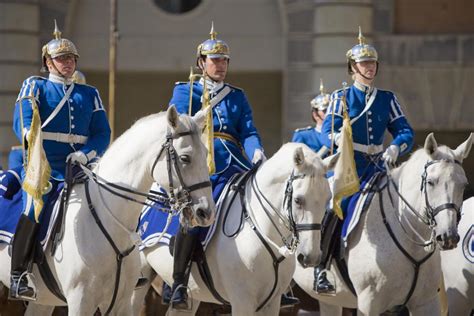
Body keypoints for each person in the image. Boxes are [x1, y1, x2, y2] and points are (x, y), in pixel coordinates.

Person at [164, 23, 269, 309]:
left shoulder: (237, 96)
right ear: (202, 63)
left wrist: (256, 151)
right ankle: (179, 282)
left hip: (235, 163)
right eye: (214, 61)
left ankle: (274, 280)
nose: (220, 66)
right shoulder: (185, 91)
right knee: (195, 216)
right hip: (201, 167)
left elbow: (247, 130)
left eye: (224, 61)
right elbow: (178, 128)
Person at [10, 21, 111, 300]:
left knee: (113, 202)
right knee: (34, 208)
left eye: (71, 58)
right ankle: (19, 274)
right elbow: (24, 123)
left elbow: (103, 132)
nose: (67, 63)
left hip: (81, 164)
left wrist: (86, 154)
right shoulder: (35, 85)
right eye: (61, 58)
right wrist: (35, 149)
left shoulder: (89, 93)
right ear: (48, 62)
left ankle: (126, 263)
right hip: (44, 167)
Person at [314, 28, 414, 295]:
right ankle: (321, 267)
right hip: (351, 166)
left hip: (380, 165)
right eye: (363, 63)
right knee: (338, 205)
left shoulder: (387, 98)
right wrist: (338, 139)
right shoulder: (341, 97)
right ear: (352, 67)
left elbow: (405, 131)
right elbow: (326, 131)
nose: (369, 68)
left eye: (372, 63)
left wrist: (395, 147)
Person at [292, 79, 330, 157]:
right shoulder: (303, 135)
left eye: (331, 110)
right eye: (325, 110)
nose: (330, 114)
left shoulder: (341, 134)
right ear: (315, 114)